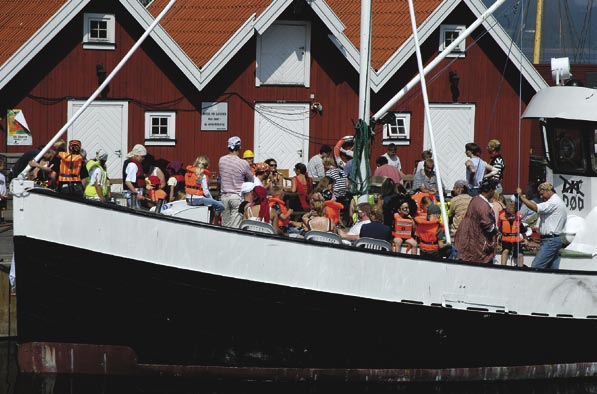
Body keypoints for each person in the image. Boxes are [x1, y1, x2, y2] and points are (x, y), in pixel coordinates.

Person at [516, 182, 567, 269]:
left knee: (537, 266)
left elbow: (536, 208)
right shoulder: (556, 201)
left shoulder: (553, 202)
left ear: (548, 190)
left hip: (551, 240)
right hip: (552, 239)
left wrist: (521, 196)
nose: (541, 197)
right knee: (552, 268)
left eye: (542, 194)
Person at [454, 179, 498, 264]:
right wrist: (496, 230)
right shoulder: (483, 206)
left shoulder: (475, 200)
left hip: (469, 241)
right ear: (491, 191)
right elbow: (488, 227)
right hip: (477, 247)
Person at [219, 136, 254, 228]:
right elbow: (251, 180)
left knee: (225, 225)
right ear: (240, 147)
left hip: (224, 196)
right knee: (235, 226)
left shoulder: (221, 160)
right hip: (236, 196)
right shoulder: (243, 163)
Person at [185, 156, 225, 224]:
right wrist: (212, 200)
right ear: (206, 166)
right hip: (197, 199)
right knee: (220, 206)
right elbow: (206, 192)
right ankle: (214, 224)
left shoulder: (189, 173)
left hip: (188, 199)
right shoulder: (202, 175)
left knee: (210, 203)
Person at [498, 197, 526, 267]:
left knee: (520, 254)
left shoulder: (518, 221)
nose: (510, 217)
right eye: (509, 216)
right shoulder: (503, 220)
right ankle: (503, 266)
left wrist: (525, 239)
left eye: (512, 216)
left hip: (516, 240)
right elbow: (499, 231)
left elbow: (523, 231)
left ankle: (521, 267)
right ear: (506, 215)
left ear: (515, 214)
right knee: (505, 251)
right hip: (506, 239)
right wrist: (497, 239)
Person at [123, 144, 147, 209]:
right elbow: (128, 182)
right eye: (142, 156)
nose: (143, 158)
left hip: (134, 194)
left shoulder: (133, 163)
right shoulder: (133, 165)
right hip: (132, 196)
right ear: (137, 155)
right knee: (135, 212)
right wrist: (136, 194)